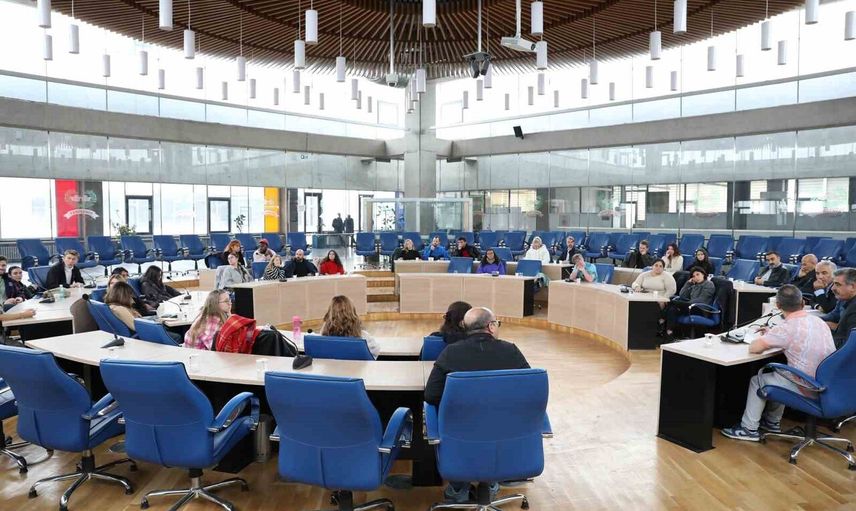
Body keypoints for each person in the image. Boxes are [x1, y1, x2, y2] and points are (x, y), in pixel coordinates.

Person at [424, 307, 530, 504]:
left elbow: (431, 395)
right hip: (504, 432)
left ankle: (458, 489)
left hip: (461, 434)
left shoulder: (451, 353)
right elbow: (529, 391)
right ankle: (491, 481)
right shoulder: (511, 351)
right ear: (491, 326)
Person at [721, 285, 835, 441]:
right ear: (802, 302)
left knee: (758, 380)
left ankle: (748, 429)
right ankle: (772, 422)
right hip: (829, 384)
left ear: (778, 305)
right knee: (783, 373)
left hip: (809, 387)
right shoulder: (818, 321)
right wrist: (772, 334)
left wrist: (766, 337)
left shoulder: (787, 328)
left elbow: (755, 348)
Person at [661, 266, 715, 339]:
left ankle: (662, 320)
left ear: (703, 274)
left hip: (700, 308)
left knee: (672, 302)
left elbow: (702, 299)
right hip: (690, 307)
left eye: (698, 274)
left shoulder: (709, 284)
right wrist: (688, 284)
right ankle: (669, 332)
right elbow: (682, 295)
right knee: (673, 309)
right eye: (694, 276)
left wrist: (686, 304)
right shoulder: (694, 285)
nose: (696, 277)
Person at [830, 268, 856, 349]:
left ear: (853, 287)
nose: (832, 288)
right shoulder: (846, 300)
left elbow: (849, 346)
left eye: (837, 284)